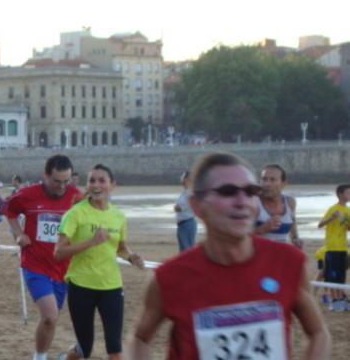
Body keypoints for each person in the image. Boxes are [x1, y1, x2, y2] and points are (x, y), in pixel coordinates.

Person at [127, 152, 330, 359]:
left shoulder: (289, 264)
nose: (241, 201)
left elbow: (318, 333)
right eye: (227, 191)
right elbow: (140, 339)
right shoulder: (169, 277)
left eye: (251, 191)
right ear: (197, 205)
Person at [55, 164, 145, 360]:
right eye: (92, 180)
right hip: (81, 286)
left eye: (102, 180)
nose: (96, 185)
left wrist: (131, 256)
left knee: (114, 347)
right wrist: (91, 241)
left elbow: (120, 247)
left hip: (111, 286)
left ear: (112, 185)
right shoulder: (75, 213)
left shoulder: (118, 216)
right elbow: (59, 252)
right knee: (84, 349)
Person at [3, 154, 82, 360]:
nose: (61, 186)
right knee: (50, 316)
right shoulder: (27, 195)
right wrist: (19, 233)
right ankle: (39, 357)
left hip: (63, 269)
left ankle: (43, 354)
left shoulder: (77, 197)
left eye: (66, 181)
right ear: (45, 176)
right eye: (56, 181)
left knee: (51, 320)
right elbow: (9, 211)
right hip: (35, 265)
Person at [317, 184, 350, 312]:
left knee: (341, 275)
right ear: (340, 194)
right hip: (331, 247)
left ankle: (341, 299)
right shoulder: (333, 209)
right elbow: (320, 225)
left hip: (343, 247)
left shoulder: (348, 210)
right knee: (331, 276)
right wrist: (331, 218)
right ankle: (333, 300)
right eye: (348, 193)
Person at [253, 164, 302, 247]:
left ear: (283, 184)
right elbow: (237, 236)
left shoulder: (290, 202)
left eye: (272, 180)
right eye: (264, 179)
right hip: (258, 258)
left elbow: (292, 223)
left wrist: (295, 239)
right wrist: (262, 229)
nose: (267, 184)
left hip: (281, 257)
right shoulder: (253, 202)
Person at [174, 170, 197, 251]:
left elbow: (180, 207)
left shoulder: (190, 193)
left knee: (187, 249)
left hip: (187, 223)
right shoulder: (185, 192)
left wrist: (177, 208)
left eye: (183, 177)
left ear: (187, 179)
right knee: (183, 250)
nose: (181, 180)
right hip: (182, 224)